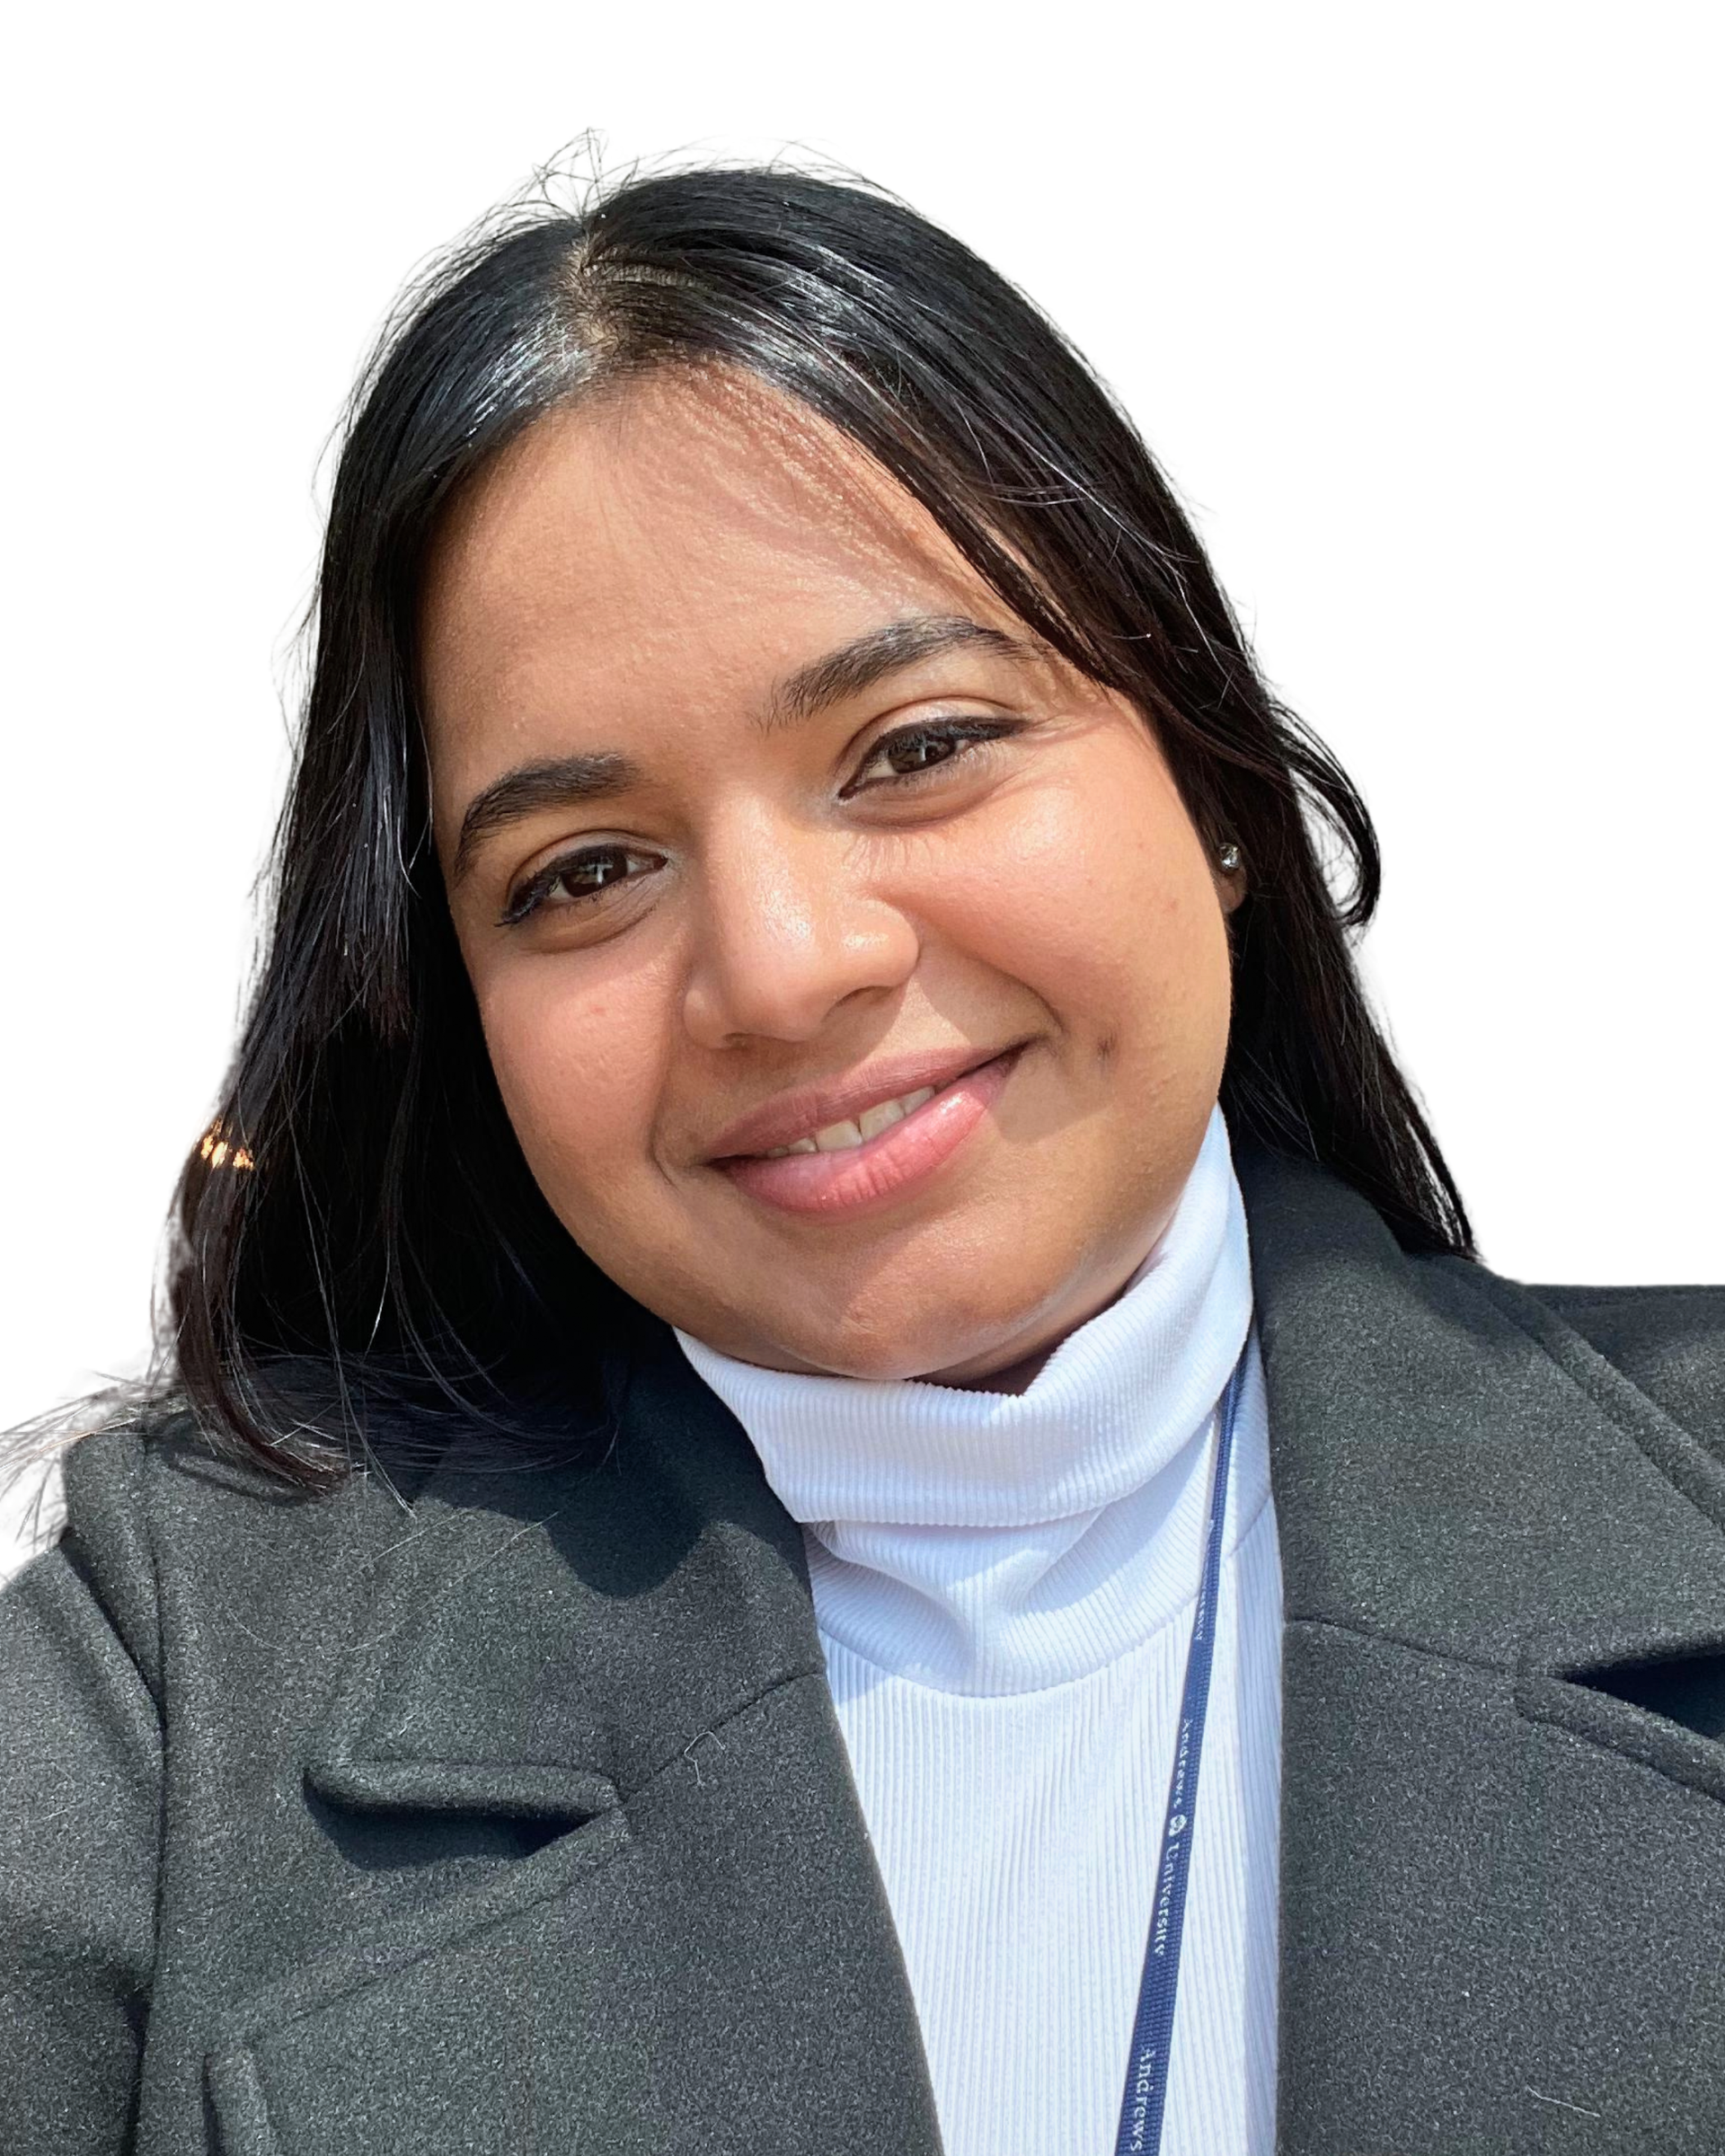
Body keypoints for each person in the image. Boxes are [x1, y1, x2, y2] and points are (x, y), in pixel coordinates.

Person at [1, 156, 1720, 2156]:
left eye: (917, 749)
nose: (785, 969)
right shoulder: (173, 1693)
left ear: (1212, 782)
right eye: (586, 871)